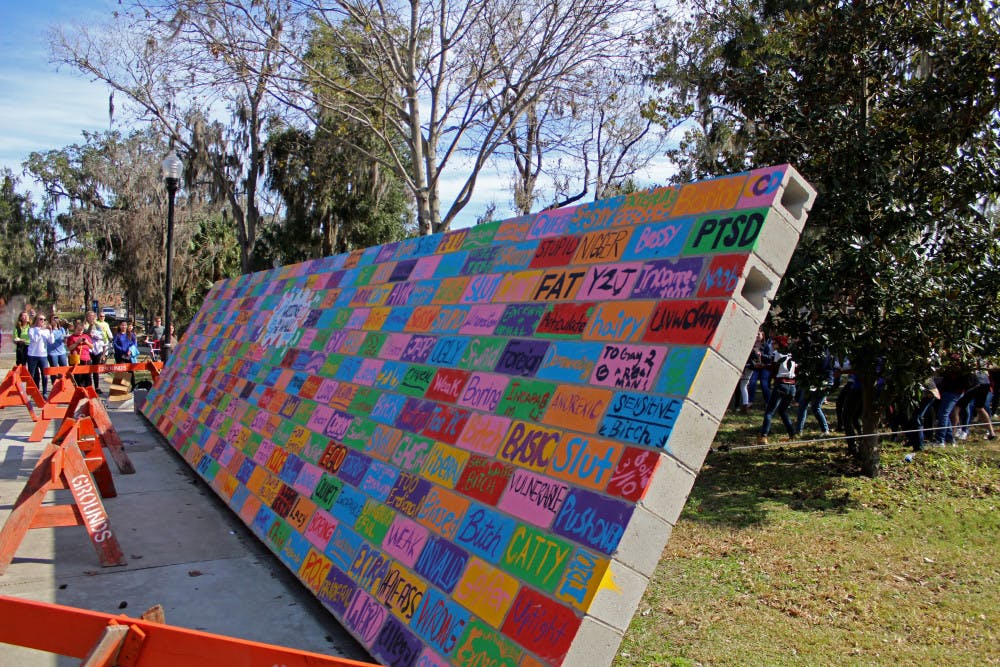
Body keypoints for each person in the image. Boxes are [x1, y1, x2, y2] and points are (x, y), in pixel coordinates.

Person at [759, 337, 797, 445]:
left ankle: (763, 436)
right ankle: (792, 433)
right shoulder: (791, 354)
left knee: (769, 412)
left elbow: (774, 369)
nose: (773, 345)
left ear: (779, 344)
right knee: (782, 410)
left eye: (775, 343)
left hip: (781, 385)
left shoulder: (778, 354)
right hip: (792, 386)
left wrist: (763, 366)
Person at [27, 314, 54, 397]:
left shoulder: (46, 331)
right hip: (33, 355)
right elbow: (34, 339)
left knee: (45, 374)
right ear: (36, 320)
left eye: (44, 319)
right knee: (32, 374)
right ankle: (33, 391)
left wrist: (51, 331)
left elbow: (51, 341)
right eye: (41, 319)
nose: (43, 321)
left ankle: (45, 392)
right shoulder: (31, 329)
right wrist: (40, 330)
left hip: (43, 355)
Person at [66, 319, 94, 388]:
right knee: (78, 377)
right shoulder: (71, 337)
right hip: (76, 359)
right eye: (78, 330)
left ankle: (88, 391)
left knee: (88, 377)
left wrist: (87, 342)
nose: (80, 332)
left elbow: (92, 347)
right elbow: (69, 348)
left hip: (86, 359)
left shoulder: (86, 336)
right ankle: (80, 391)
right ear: (75, 329)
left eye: (81, 330)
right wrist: (77, 342)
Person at [86, 311, 108, 395]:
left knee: (96, 369)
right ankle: (89, 387)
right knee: (88, 370)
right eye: (90, 316)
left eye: (93, 316)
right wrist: (90, 327)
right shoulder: (85, 325)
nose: (92, 318)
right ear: (87, 317)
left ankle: (97, 387)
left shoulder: (98, 325)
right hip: (88, 350)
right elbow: (85, 334)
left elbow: (103, 336)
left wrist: (103, 353)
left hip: (97, 349)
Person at [112, 320, 138, 388]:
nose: (124, 326)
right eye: (122, 325)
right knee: (121, 372)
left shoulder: (131, 334)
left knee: (130, 371)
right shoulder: (117, 335)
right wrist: (123, 350)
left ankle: (133, 386)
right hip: (120, 356)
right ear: (120, 326)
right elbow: (115, 345)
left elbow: (134, 344)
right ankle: (119, 388)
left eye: (125, 325)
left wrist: (131, 350)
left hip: (128, 355)